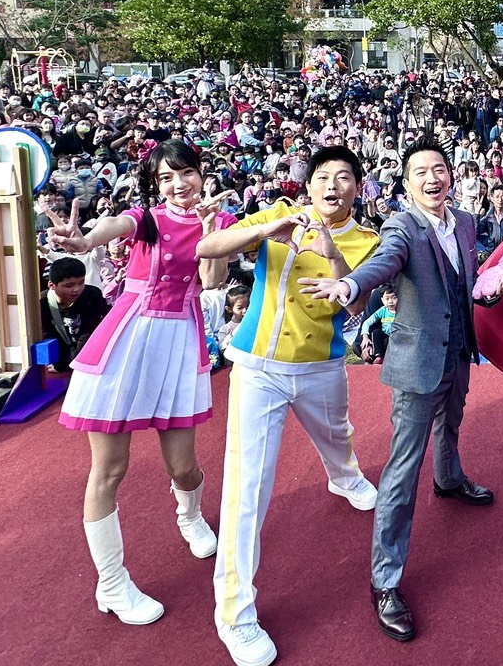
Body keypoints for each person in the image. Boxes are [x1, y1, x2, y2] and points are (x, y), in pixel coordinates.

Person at [197, 145, 383, 666]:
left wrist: (332, 253)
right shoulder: (277, 214)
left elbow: (361, 302)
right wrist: (262, 232)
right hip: (257, 369)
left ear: (357, 189)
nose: (332, 186)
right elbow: (208, 247)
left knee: (338, 434)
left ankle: (343, 477)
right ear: (310, 183)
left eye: (344, 178)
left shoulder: (367, 239)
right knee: (246, 489)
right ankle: (235, 614)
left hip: (322, 366)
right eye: (324, 176)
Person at [304, 137, 492, 644]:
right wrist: (348, 286)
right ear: (407, 184)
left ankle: (449, 479)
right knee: (402, 470)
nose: (433, 178)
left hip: (457, 350)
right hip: (416, 362)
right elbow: (384, 261)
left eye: (440, 169)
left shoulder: (467, 221)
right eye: (421, 172)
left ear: (450, 176)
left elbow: (473, 271)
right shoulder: (402, 225)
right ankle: (385, 583)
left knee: (452, 422)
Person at [48, 140, 235, 628]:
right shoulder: (146, 219)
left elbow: (213, 280)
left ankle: (190, 515)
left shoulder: (221, 220)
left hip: (179, 345)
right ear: (155, 183)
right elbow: (114, 226)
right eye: (167, 177)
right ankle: (111, 584)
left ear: (201, 173)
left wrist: (213, 227)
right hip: (127, 341)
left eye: (186, 173)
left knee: (184, 466)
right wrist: (85, 240)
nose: (179, 185)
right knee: (108, 470)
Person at [40, 258, 112, 373]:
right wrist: (61, 364)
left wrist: (77, 363)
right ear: (52, 285)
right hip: (62, 361)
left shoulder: (92, 296)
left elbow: (89, 332)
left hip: (87, 358)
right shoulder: (43, 302)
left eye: (81, 282)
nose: (77, 289)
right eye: (69, 285)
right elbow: (48, 334)